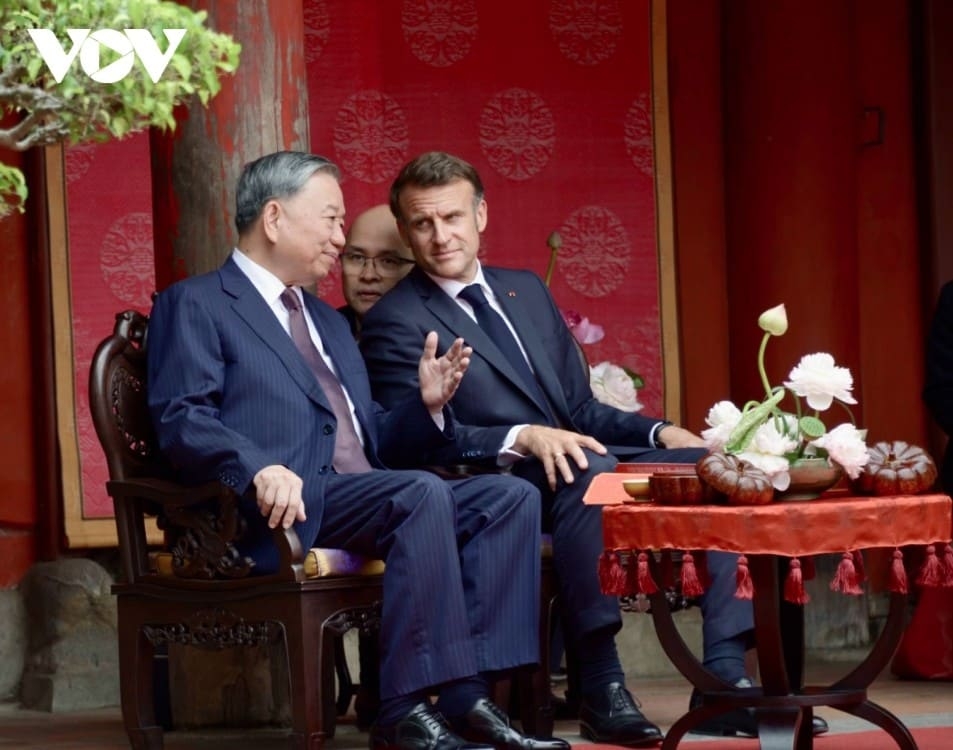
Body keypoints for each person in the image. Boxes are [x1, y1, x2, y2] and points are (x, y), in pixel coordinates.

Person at [360, 151, 827, 743]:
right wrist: (523, 436)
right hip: (496, 483)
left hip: (580, 460)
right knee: (590, 470)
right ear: (405, 232)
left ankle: (723, 678)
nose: (440, 235)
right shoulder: (396, 319)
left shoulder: (523, 289)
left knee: (718, 468)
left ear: (480, 215)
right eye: (422, 223)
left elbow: (578, 409)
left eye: (451, 217)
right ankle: (602, 685)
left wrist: (661, 432)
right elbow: (411, 437)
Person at [146, 150, 569, 750]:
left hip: (361, 493)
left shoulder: (327, 320)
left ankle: (470, 697)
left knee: (507, 497)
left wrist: (426, 406)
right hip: (275, 507)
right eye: (331, 219)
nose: (341, 237)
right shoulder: (197, 302)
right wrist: (256, 466)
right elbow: (182, 417)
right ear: (274, 218)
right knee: (418, 493)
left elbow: (372, 434)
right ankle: (400, 710)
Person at [339, 203, 416, 339]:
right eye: (357, 258)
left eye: (388, 261)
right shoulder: (320, 330)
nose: (368, 275)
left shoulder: (441, 339)